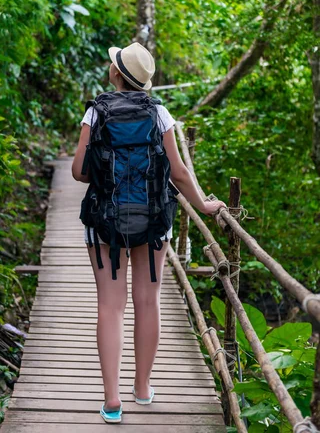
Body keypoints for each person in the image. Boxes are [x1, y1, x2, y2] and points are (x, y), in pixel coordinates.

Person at [72, 42, 226, 424]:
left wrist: (108, 177)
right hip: (154, 217)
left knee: (110, 306)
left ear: (115, 74)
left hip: (107, 219)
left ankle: (112, 402)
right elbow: (177, 172)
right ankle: (142, 388)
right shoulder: (160, 113)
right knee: (148, 300)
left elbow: (78, 171)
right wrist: (205, 206)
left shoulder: (97, 110)